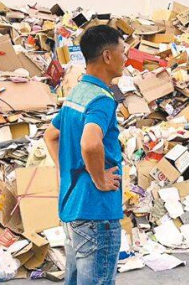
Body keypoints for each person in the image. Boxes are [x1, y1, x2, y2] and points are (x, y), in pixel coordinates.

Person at [43, 25, 127, 285]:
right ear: (107, 56)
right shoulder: (101, 100)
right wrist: (99, 178)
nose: (126, 58)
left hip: (73, 207)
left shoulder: (77, 93)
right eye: (123, 51)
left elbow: (51, 135)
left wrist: (68, 170)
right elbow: (90, 143)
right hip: (96, 212)